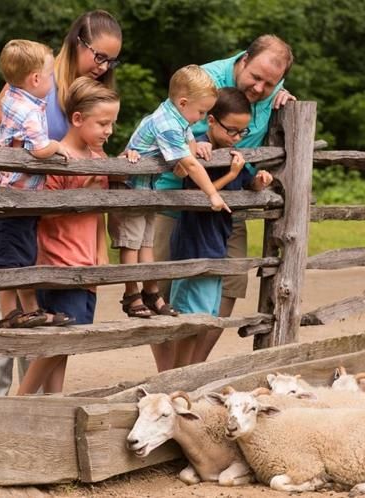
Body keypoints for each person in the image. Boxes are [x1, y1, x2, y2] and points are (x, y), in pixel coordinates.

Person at [0, 10, 121, 394]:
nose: (104, 67)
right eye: (99, 56)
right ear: (78, 43)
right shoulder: (31, 82)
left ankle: (33, 401)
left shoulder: (86, 95)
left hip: (43, 207)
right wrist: (13, 162)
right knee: (2, 301)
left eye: (112, 61)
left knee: (37, 305)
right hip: (4, 197)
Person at [152, 35, 296, 351]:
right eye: (256, 77)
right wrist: (195, 140)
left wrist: (283, 98)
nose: (259, 88)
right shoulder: (202, 80)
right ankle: (165, 376)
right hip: (176, 197)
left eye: (269, 84)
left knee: (229, 282)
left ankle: (194, 371)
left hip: (229, 200)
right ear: (243, 59)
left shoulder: (273, 89)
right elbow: (167, 125)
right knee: (162, 284)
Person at [109, 65, 228, 333]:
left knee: (147, 242)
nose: (200, 119)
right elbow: (190, 163)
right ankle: (131, 294)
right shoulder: (165, 122)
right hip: (130, 190)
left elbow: (189, 151)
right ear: (183, 102)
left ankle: (151, 291)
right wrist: (212, 193)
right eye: (200, 112)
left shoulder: (179, 119)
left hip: (149, 191)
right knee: (131, 243)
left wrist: (191, 154)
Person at [17, 77, 116, 395]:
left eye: (112, 123)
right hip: (59, 261)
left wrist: (102, 254)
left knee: (67, 340)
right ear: (77, 119)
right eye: (102, 123)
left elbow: (99, 214)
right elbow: (44, 213)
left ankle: (54, 401)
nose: (108, 131)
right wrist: (78, 198)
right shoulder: (59, 160)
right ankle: (23, 397)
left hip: (86, 262)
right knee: (62, 336)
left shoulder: (100, 161)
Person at [169, 87, 273, 367]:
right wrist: (231, 174)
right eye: (232, 131)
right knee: (190, 323)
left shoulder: (230, 152)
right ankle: (177, 377)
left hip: (216, 248)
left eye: (242, 132)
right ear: (212, 120)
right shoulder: (199, 151)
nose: (237, 138)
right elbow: (200, 195)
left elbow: (246, 182)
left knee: (204, 321)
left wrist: (257, 181)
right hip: (196, 247)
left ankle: (185, 377)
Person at [0, 39, 74, 330]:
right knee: (12, 259)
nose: (52, 81)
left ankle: (27, 310)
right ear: (35, 79)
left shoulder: (12, 94)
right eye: (49, 75)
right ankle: (12, 314)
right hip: (13, 199)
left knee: (22, 254)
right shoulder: (28, 111)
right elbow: (38, 149)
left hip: (14, 195)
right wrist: (58, 147)